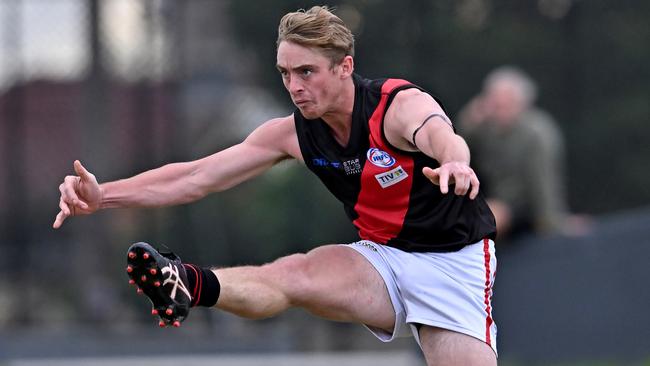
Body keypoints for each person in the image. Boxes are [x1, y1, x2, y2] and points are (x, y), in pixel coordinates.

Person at [54, 6, 498, 365]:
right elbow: (196, 176)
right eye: (286, 73)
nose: (295, 86)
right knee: (294, 275)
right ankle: (186, 283)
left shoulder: (396, 105)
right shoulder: (290, 134)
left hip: (455, 264)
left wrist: (456, 164)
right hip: (383, 260)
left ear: (345, 67)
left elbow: (442, 134)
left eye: (307, 72)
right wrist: (103, 195)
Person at [458, 66, 586, 240]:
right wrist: (470, 118)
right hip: (489, 199)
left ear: (522, 103)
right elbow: (459, 147)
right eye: (496, 103)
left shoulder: (536, 133)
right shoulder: (486, 129)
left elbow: (543, 181)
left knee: (488, 215)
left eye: (507, 103)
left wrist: (553, 222)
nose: (500, 108)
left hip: (522, 209)